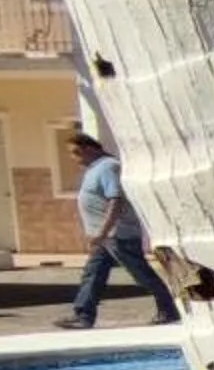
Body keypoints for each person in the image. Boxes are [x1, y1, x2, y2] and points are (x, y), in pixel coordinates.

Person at [58, 133, 180, 330]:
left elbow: (116, 199)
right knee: (93, 273)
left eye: (77, 153)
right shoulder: (95, 169)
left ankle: (169, 308)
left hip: (118, 234)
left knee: (141, 274)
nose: (75, 158)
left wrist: (104, 232)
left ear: (90, 148)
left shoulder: (108, 167)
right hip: (106, 238)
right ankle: (83, 315)